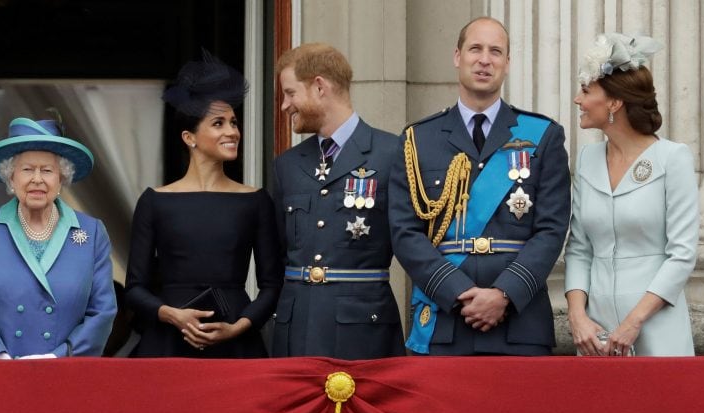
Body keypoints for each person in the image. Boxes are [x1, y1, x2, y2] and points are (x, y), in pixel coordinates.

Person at [388, 17, 571, 355]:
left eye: (496, 52)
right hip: (445, 321)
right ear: (458, 56)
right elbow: (404, 232)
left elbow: (551, 230)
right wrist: (457, 292)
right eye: (476, 49)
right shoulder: (418, 139)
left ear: (507, 63)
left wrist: (503, 295)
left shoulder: (542, 135)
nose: (485, 59)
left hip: (520, 323)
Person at [125, 51, 283, 358]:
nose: (232, 132)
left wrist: (239, 326)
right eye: (219, 123)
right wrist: (172, 315)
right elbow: (134, 289)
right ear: (190, 137)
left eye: (234, 123)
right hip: (168, 342)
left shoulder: (255, 201)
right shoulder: (155, 201)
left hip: (237, 342)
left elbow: (273, 285)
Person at [564, 33, 699, 356]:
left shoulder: (672, 158)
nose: (577, 100)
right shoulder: (586, 160)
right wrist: (577, 316)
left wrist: (633, 322)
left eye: (586, 90)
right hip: (596, 335)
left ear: (614, 102)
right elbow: (579, 249)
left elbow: (682, 254)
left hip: (656, 329)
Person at [272, 43, 404, 359]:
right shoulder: (287, 165)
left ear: (319, 87)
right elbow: (278, 255)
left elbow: (413, 242)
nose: (284, 106)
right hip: (297, 328)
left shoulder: (391, 153)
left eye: (290, 94)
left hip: (363, 331)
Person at [0, 117, 116, 358]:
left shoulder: (91, 232)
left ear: (61, 178)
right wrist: (0, 357)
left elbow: (102, 312)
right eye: (27, 169)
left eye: (47, 170)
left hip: (65, 373)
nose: (37, 179)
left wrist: (58, 357)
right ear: (11, 178)